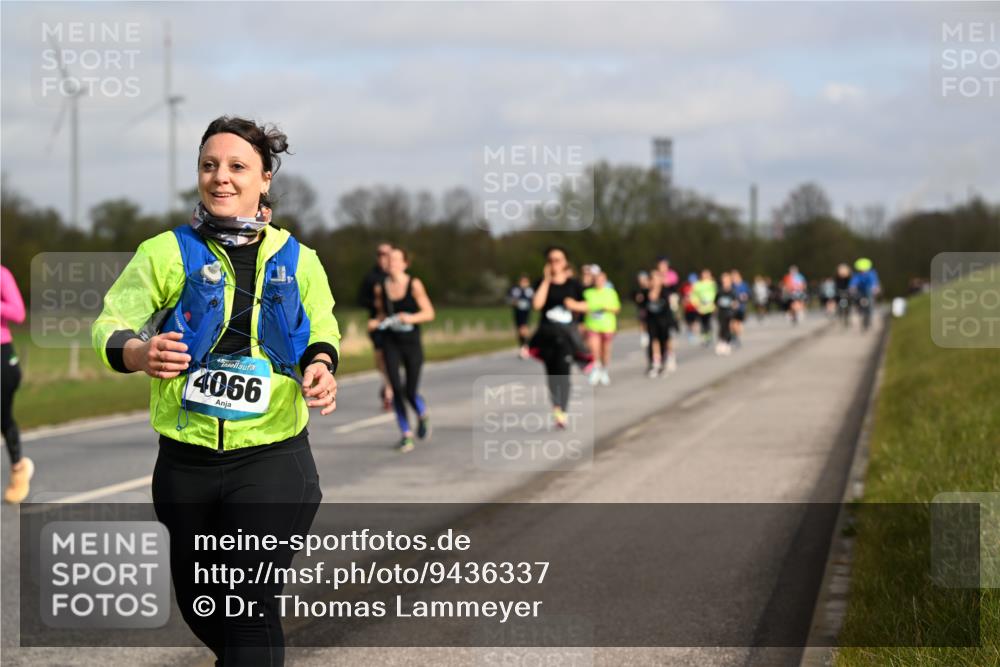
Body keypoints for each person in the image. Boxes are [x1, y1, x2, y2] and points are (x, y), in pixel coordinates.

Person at [92, 116, 340, 666]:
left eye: (236, 166)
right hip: (186, 462)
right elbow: (109, 324)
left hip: (272, 458)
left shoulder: (300, 259)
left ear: (265, 178)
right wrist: (139, 352)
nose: (220, 178)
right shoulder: (165, 251)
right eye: (209, 165)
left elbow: (322, 330)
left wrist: (320, 366)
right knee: (206, 611)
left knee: (249, 607)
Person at [371, 247, 435, 452]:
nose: (391, 262)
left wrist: (410, 318)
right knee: (396, 389)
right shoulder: (380, 287)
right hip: (391, 342)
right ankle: (406, 434)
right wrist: (375, 322)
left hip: (412, 343)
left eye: (396, 259)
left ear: (405, 263)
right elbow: (381, 314)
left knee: (410, 390)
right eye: (389, 259)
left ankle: (422, 415)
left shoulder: (414, 284)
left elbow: (429, 313)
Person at [528, 247, 594, 429]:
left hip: (567, 336)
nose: (554, 263)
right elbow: (537, 305)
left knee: (564, 373)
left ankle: (562, 410)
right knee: (551, 375)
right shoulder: (542, 283)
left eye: (558, 260)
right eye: (551, 260)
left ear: (565, 262)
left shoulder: (573, 284)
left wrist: (574, 305)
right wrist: (547, 280)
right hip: (547, 334)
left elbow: (588, 306)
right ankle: (556, 406)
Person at [1, 265, 31, 504]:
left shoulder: (2, 274)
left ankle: (19, 470)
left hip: (2, 356)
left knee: (3, 417)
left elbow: (18, 313)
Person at [358, 243, 393, 410]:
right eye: (380, 254)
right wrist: (375, 304)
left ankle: (389, 390)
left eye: (386, 253)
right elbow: (361, 299)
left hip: (395, 325)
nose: (383, 257)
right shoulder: (371, 277)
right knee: (381, 359)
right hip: (377, 323)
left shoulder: (397, 274)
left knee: (392, 358)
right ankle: (388, 386)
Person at [582, 270, 621, 386]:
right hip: (592, 325)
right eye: (597, 280)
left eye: (601, 280)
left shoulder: (611, 292)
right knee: (594, 349)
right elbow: (582, 307)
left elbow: (617, 309)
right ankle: (596, 369)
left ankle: (604, 370)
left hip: (607, 326)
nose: (599, 282)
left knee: (605, 350)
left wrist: (606, 308)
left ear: (605, 281)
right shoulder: (588, 292)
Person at [644, 269, 678, 377]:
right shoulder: (646, 291)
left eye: (657, 279)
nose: (655, 281)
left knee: (665, 341)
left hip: (664, 320)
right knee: (654, 340)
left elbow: (671, 304)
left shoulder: (665, 291)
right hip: (652, 321)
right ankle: (656, 363)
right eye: (653, 279)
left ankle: (669, 357)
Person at [507, 274, 535, 359]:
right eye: (522, 282)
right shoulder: (515, 290)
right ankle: (524, 346)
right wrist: (514, 302)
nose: (523, 283)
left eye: (525, 282)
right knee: (520, 331)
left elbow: (534, 300)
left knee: (524, 329)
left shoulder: (530, 290)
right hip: (517, 312)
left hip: (526, 312)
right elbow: (509, 299)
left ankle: (525, 347)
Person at [850, 257, 881, 332]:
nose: (862, 270)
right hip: (861, 291)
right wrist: (852, 287)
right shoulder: (857, 275)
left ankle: (869, 317)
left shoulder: (871, 273)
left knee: (870, 303)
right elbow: (854, 281)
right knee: (856, 297)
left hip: (869, 291)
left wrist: (875, 287)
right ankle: (858, 307)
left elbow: (874, 281)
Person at [690, 269, 718, 346]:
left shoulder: (713, 284)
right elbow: (693, 295)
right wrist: (696, 304)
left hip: (710, 307)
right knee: (702, 322)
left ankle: (708, 336)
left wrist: (715, 304)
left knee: (708, 322)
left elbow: (717, 294)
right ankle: (704, 336)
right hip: (701, 308)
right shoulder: (697, 284)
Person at [715, 272, 738, 356]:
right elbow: (716, 301)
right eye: (724, 280)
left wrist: (734, 305)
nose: (725, 281)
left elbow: (736, 302)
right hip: (721, 312)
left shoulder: (733, 291)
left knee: (729, 328)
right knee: (722, 328)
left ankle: (728, 344)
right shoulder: (719, 291)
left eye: (727, 280)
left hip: (730, 312)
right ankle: (721, 343)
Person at [730, 270, 749, 346]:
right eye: (732, 277)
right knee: (732, 323)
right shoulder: (732, 286)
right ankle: (734, 336)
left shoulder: (744, 285)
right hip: (733, 308)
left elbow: (748, 295)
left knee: (738, 324)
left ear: (739, 276)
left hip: (741, 307)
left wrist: (744, 297)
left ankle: (736, 337)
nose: (734, 278)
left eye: (735, 276)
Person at [632, 271, 651, 349]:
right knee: (642, 321)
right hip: (642, 308)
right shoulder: (638, 289)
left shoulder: (650, 287)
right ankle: (644, 334)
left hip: (650, 308)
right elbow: (634, 297)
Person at [680, 272, 699, 343]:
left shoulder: (698, 286)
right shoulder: (685, 287)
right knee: (688, 322)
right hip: (687, 307)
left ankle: (695, 334)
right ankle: (690, 333)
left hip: (695, 307)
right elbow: (682, 296)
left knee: (695, 321)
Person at [834, 263, 852, 327]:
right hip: (840, 292)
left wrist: (850, 290)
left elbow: (851, 285)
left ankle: (847, 316)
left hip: (847, 292)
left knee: (848, 304)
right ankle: (839, 313)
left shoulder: (849, 278)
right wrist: (837, 291)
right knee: (838, 301)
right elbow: (836, 286)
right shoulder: (837, 278)